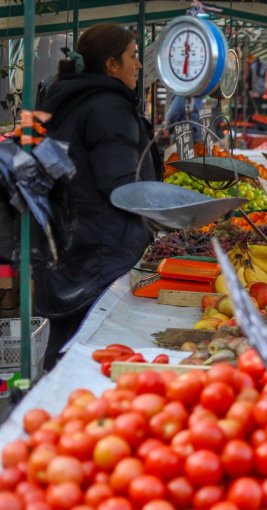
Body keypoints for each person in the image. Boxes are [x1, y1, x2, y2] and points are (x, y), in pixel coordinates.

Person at [36, 23, 162, 369]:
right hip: (100, 255)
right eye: (133, 57)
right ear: (111, 64)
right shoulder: (108, 108)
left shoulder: (68, 99)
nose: (138, 65)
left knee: (65, 350)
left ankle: (52, 406)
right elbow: (120, 185)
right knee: (90, 358)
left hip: (69, 249)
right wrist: (166, 206)